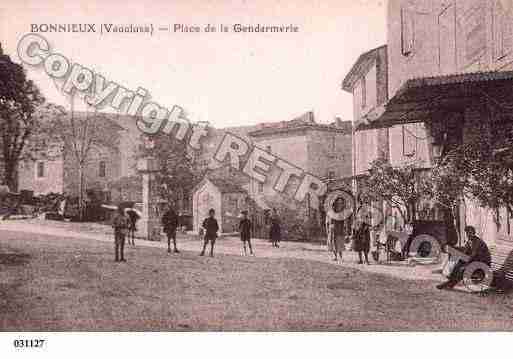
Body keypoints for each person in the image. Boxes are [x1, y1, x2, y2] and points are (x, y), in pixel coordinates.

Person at [437, 225, 491, 290]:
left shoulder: (478, 242)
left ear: (474, 233)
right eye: (467, 233)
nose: (468, 234)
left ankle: (450, 283)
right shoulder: (469, 242)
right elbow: (465, 252)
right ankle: (450, 281)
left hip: (483, 264)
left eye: (470, 233)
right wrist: (460, 258)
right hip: (475, 261)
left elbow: (474, 255)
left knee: (462, 269)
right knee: (459, 263)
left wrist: (465, 260)